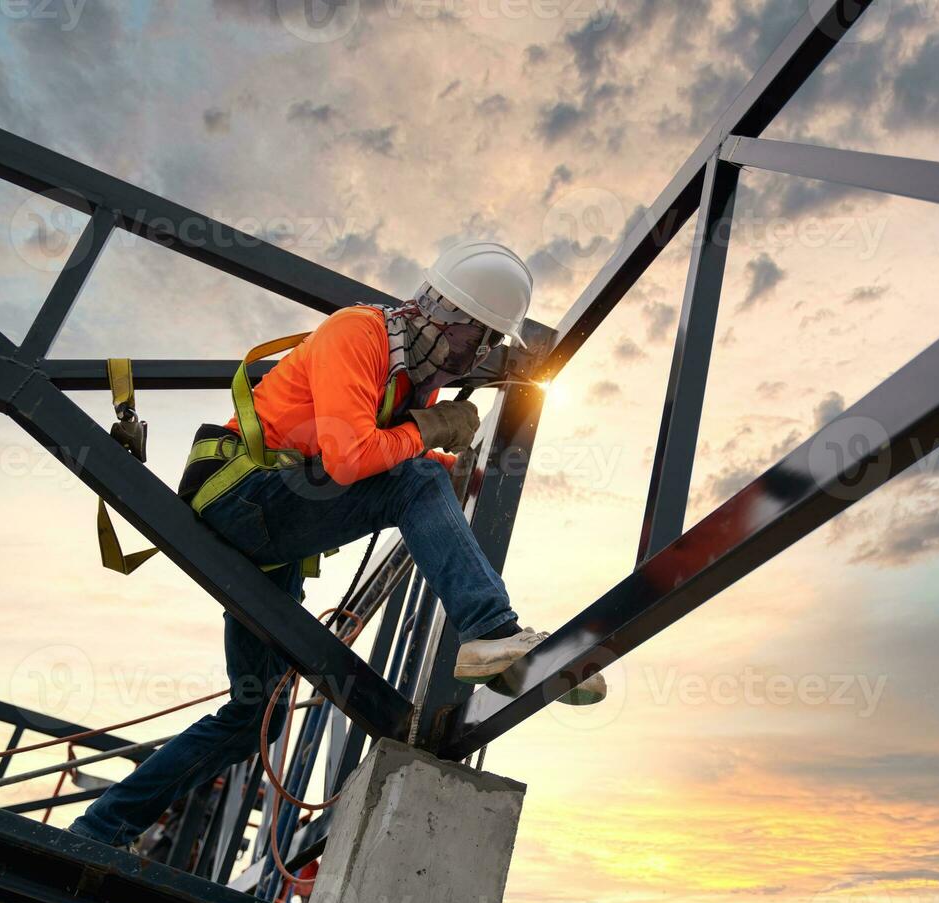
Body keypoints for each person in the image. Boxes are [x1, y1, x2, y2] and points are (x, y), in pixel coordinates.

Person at [69, 241, 602, 849]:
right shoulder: (359, 334)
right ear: (443, 319)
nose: (465, 363)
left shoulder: (406, 384)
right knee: (419, 481)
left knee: (250, 722)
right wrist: (429, 438)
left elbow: (379, 452)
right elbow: (352, 459)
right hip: (243, 497)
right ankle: (491, 633)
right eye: (469, 345)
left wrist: (450, 463)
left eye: (478, 353)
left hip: (273, 543)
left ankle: (99, 829)